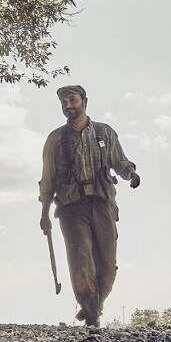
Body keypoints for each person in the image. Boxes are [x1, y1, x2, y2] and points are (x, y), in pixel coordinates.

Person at [38, 85, 141, 328]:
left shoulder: (104, 133)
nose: (68, 106)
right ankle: (92, 316)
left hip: (102, 202)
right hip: (71, 206)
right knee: (81, 261)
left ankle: (93, 305)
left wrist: (131, 174)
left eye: (72, 100)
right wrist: (44, 213)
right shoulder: (55, 139)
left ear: (84, 101)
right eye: (64, 103)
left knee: (108, 266)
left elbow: (119, 161)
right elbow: (48, 178)